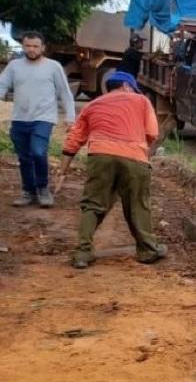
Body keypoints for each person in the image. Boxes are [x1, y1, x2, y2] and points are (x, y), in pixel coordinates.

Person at [55, 71, 166, 269]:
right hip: (134, 156)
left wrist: (62, 171)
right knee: (137, 205)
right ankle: (148, 250)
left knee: (93, 204)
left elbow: (74, 140)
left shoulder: (92, 105)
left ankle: (82, 252)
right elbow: (152, 133)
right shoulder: (141, 101)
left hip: (100, 156)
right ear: (126, 85)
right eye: (132, 88)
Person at [0, 31, 76, 207]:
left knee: (38, 152)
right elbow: (2, 85)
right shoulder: (14, 66)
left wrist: (70, 116)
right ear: (23, 46)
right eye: (28, 46)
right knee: (24, 156)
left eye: (35, 46)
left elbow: (65, 92)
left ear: (43, 47)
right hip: (19, 118)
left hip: (44, 118)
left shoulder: (53, 66)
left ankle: (43, 189)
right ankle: (28, 191)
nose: (31, 49)